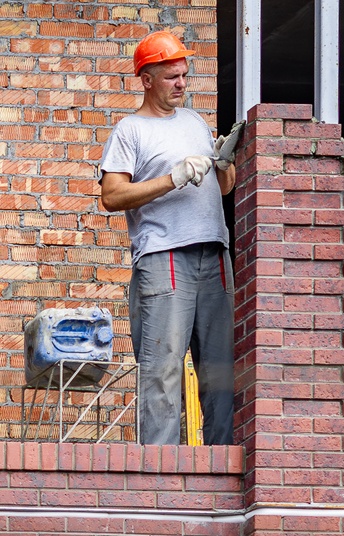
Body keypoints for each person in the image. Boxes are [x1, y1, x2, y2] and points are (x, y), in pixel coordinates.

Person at [99, 31, 237, 445]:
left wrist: (225, 161)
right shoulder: (131, 130)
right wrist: (172, 178)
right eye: (171, 76)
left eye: (183, 75)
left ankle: (222, 466)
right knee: (162, 370)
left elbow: (224, 189)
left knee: (222, 370)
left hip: (214, 255)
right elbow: (111, 195)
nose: (181, 83)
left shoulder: (195, 122)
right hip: (165, 259)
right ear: (146, 79)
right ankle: (161, 477)